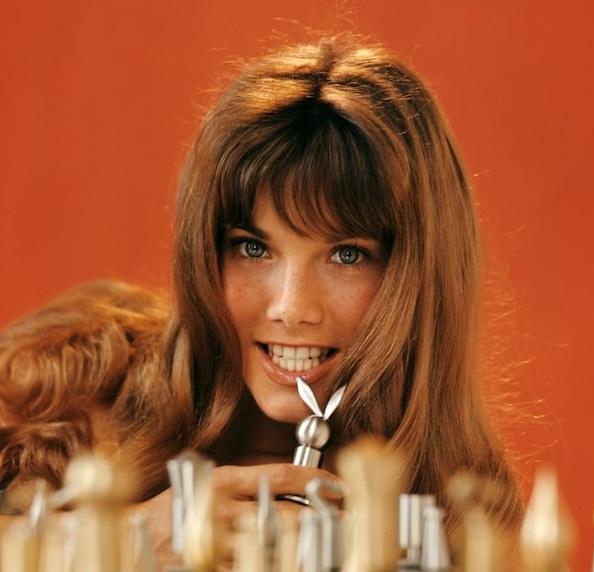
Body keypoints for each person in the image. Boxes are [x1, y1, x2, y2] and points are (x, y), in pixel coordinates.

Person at [0, 33, 523, 555]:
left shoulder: (466, 510)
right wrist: (122, 538)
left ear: (419, 275)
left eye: (347, 255)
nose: (292, 309)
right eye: (252, 248)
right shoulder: (65, 381)